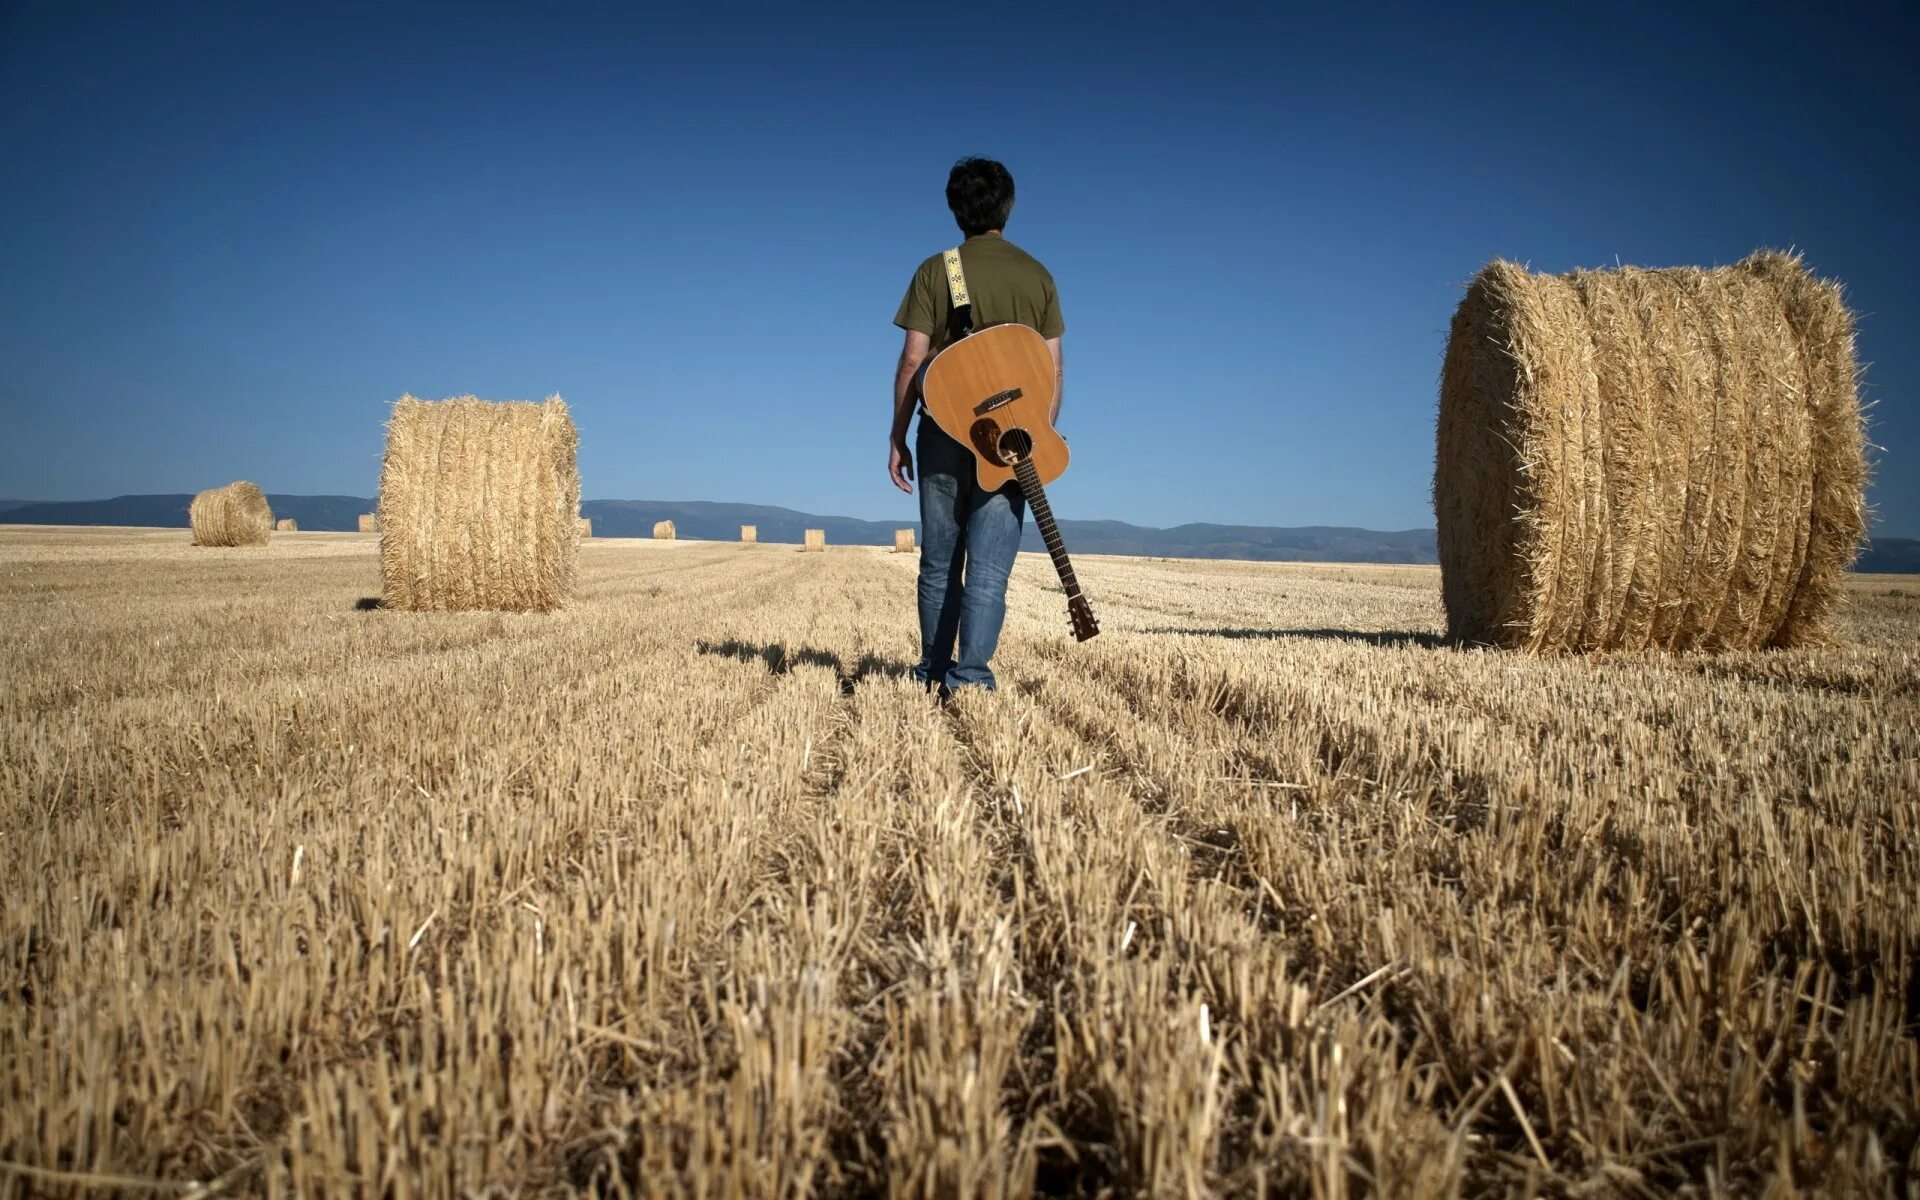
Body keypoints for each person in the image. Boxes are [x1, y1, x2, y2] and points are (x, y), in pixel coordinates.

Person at [889, 157, 1065, 695]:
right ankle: (971, 679)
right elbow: (1052, 369)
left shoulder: (934, 271)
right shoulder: (1037, 276)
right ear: (1007, 209)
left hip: (943, 431)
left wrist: (897, 434)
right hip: (1012, 441)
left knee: (940, 561)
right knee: (989, 569)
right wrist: (1030, 437)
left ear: (954, 209)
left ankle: (932, 673)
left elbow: (914, 362)